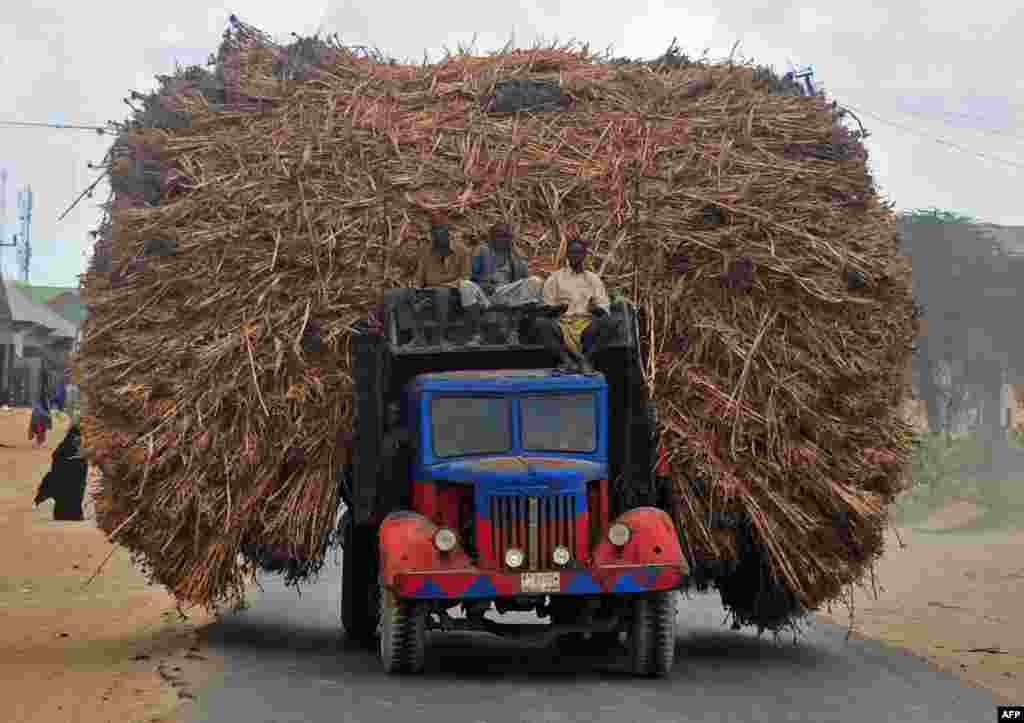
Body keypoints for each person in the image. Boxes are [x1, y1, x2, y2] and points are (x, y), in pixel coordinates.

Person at [534, 238, 621, 372]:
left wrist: (594, 309)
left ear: (584, 255)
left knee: (612, 322)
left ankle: (586, 359)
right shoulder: (555, 278)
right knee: (541, 323)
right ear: (567, 255)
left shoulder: (593, 279)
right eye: (572, 252)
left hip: (586, 324)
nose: (575, 256)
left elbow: (604, 307)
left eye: (579, 252)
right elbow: (545, 308)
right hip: (563, 323)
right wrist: (557, 309)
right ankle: (566, 360)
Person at [405, 219, 473, 347]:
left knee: (441, 293)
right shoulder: (427, 251)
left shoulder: (462, 251)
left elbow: (466, 278)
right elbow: (419, 276)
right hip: (430, 290)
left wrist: (445, 286)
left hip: (455, 291)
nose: (439, 240)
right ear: (433, 237)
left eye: (442, 236)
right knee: (405, 292)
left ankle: (440, 337)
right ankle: (418, 337)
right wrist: (414, 287)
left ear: (448, 236)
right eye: (436, 237)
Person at [34, 419, 88, 521]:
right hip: (66, 484)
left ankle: (74, 515)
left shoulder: (76, 448)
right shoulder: (64, 448)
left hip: (74, 486)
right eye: (76, 437)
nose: (78, 440)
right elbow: (57, 465)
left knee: (74, 496)